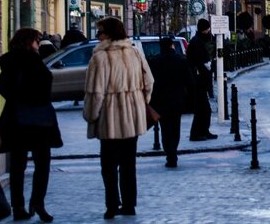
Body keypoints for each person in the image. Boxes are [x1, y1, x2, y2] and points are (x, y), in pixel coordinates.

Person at [83, 17, 154, 219]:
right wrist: (139, 101)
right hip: (132, 119)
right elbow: (149, 81)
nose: (98, 36)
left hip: (110, 120)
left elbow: (95, 94)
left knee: (108, 166)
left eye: (100, 32)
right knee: (128, 164)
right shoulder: (134, 52)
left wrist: (91, 115)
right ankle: (130, 204)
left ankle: (112, 205)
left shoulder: (100, 58)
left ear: (109, 34)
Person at [0, 27, 63, 222]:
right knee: (42, 163)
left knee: (18, 165)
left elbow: (1, 86)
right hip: (38, 119)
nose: (38, 43)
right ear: (28, 42)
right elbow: (43, 85)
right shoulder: (32, 60)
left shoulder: (9, 60)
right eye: (36, 40)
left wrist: (16, 99)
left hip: (16, 118)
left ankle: (18, 206)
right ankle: (38, 203)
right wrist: (33, 98)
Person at [147, 36, 194, 168]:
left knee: (165, 129)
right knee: (175, 128)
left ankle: (170, 154)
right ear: (172, 45)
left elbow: (149, 81)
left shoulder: (155, 61)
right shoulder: (181, 60)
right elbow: (189, 81)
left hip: (160, 101)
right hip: (177, 100)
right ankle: (173, 152)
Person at [187, 18, 218, 142]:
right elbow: (197, 62)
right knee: (202, 109)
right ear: (205, 30)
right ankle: (196, 134)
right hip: (198, 81)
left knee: (204, 109)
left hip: (200, 80)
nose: (209, 32)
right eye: (208, 29)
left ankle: (204, 131)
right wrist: (206, 68)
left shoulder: (197, 41)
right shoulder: (197, 43)